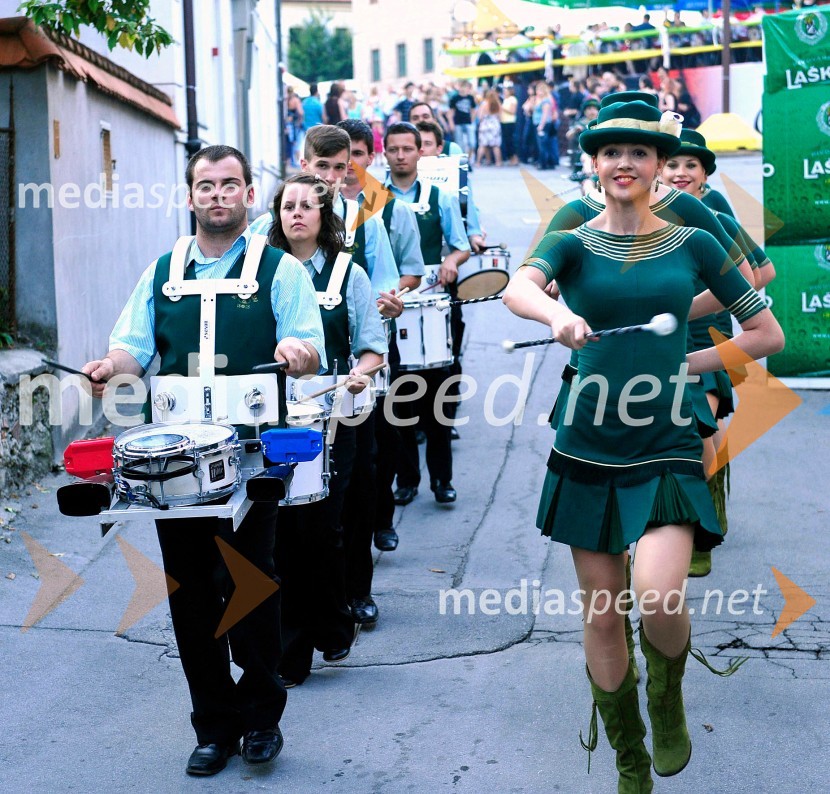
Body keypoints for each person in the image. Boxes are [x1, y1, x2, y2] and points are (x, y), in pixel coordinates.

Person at [503, 98, 784, 792]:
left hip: (663, 436)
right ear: (594, 166)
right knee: (601, 613)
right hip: (588, 437)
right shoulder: (572, 235)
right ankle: (629, 756)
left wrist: (686, 365)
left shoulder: (694, 242)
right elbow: (517, 287)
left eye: (638, 153)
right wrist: (558, 314)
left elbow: (764, 332)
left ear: (660, 167)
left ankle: (667, 697)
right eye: (610, 153)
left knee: (659, 597)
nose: (623, 163)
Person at [82, 145, 326, 777]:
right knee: (191, 596)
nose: (218, 195)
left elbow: (308, 343)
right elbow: (131, 347)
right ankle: (213, 727)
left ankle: (261, 718)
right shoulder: (159, 270)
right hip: (176, 464)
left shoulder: (282, 271)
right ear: (190, 196)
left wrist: (297, 354)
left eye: (230, 184)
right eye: (206, 185)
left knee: (250, 586)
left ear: (248, 194)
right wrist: (112, 368)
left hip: (253, 457)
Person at [266, 174, 387, 685]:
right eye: (287, 206)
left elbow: (371, 344)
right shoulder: (261, 271)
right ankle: (291, 649)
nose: (296, 214)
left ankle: (333, 625)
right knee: (281, 533)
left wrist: (362, 371)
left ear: (324, 216)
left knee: (325, 527)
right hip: (274, 419)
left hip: (336, 417)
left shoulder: (348, 272)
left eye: (307, 206)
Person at [661, 128, 776, 576]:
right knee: (683, 435)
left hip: (706, 340)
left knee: (701, 432)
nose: (681, 172)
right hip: (656, 345)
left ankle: (702, 525)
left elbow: (758, 272)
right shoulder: (633, 218)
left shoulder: (715, 216)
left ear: (706, 174)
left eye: (691, 165)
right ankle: (697, 501)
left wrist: (708, 301)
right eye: (673, 164)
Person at [335, 118, 425, 626]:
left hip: (368, 357)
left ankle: (372, 544)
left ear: (370, 158)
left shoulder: (383, 211)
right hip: (315, 372)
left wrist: (389, 301)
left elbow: (402, 274)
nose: (344, 167)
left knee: (372, 458)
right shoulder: (292, 213)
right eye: (329, 160)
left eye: (352, 156)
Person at [383, 122, 470, 505]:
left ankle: (441, 480)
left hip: (434, 304)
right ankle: (407, 479)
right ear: (384, 154)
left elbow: (461, 245)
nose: (400, 155)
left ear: (421, 152)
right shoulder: (374, 200)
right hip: (392, 304)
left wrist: (452, 260)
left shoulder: (441, 195)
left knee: (438, 395)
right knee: (398, 399)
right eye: (393, 149)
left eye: (407, 148)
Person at [449, 81, 476, 160]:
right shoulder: (455, 98)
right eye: (462, 87)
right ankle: (463, 161)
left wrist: (472, 120)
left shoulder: (470, 98)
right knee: (460, 144)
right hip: (458, 122)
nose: (463, 89)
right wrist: (451, 123)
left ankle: (468, 160)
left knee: (472, 143)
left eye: (465, 87)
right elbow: (451, 111)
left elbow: (473, 110)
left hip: (468, 122)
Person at [476, 89, 503, 166]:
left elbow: (480, 116)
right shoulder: (498, 104)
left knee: (483, 145)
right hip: (495, 125)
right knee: (495, 145)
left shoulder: (484, 104)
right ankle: (498, 162)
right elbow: (500, 117)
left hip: (485, 125)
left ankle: (478, 162)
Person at [500, 82, 519, 165]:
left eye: (506, 90)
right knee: (507, 141)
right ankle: (511, 158)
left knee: (510, 141)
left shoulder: (513, 99)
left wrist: (502, 108)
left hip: (510, 122)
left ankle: (514, 158)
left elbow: (512, 111)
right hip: (503, 122)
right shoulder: (505, 99)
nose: (504, 92)